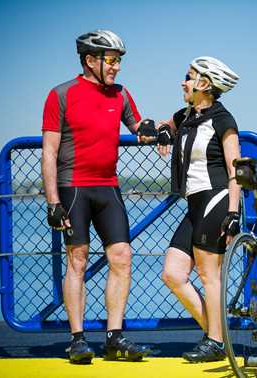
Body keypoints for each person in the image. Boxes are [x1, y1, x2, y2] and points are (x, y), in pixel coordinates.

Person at [41, 29, 159, 364]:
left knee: (121, 257)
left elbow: (139, 129)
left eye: (119, 60)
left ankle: (114, 336)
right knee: (77, 260)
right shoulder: (61, 94)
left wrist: (161, 129)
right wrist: (53, 201)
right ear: (90, 60)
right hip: (72, 186)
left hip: (108, 187)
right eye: (112, 60)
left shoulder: (120, 95)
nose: (117, 67)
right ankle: (77, 340)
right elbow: (49, 152)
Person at [157, 56, 242, 362]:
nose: (183, 82)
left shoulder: (223, 120)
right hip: (193, 204)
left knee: (210, 276)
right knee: (173, 273)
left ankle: (216, 341)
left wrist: (233, 213)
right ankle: (217, 337)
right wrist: (165, 129)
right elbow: (167, 123)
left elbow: (236, 170)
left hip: (217, 200)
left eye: (189, 77)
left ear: (205, 85)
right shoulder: (188, 114)